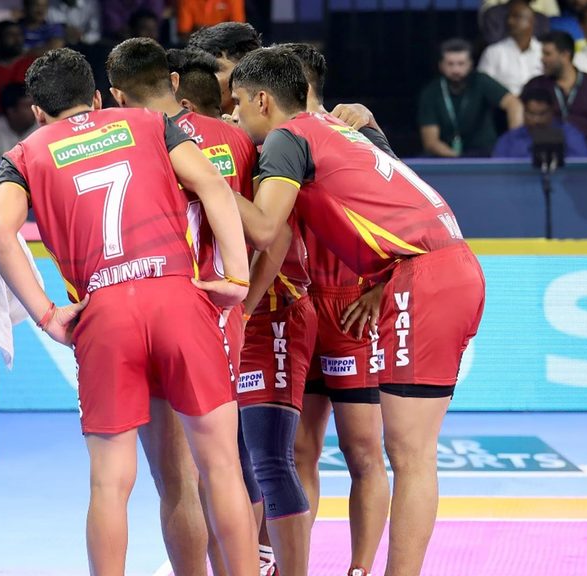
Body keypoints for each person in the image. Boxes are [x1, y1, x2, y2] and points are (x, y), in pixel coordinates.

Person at [0, 48, 256, 576]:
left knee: (110, 483)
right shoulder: (148, 122)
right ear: (95, 97)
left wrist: (46, 314)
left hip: (102, 312)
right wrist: (238, 279)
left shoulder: (24, 153)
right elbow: (214, 189)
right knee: (221, 467)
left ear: (38, 112)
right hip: (177, 296)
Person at [231, 48, 485, 576]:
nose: (233, 116)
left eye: (237, 104)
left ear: (262, 99)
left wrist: (196, 173)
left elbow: (262, 227)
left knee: (408, 454)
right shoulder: (338, 131)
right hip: (444, 267)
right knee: (408, 452)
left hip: (425, 277)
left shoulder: (288, 136)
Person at [107, 37, 262, 576]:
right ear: (173, 83)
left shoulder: (115, 141)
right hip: (221, 314)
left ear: (115, 94)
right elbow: (270, 228)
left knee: (176, 481)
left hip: (150, 305)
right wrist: (243, 290)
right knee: (225, 467)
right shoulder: (238, 140)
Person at [272, 43, 390, 576]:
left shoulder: (358, 135)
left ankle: (360, 569)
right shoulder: (274, 139)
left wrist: (380, 288)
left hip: (350, 312)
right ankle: (292, 564)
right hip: (297, 308)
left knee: (363, 451)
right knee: (299, 451)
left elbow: (403, 215)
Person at [417, 38, 523, 157]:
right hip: (446, 156)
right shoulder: (431, 92)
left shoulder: (481, 81)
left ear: (470, 64)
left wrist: (515, 141)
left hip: (484, 152)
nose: (456, 70)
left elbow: (514, 104)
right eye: (450, 64)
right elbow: (430, 142)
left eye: (461, 64)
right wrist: (458, 160)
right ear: (441, 65)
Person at [523, 30, 587, 142]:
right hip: (544, 146)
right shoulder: (535, 85)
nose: (542, 59)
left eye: (547, 54)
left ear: (565, 55)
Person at [187, 22, 264, 116]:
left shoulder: (274, 128)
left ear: (248, 70)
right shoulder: (181, 126)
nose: (201, 79)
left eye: (214, 70)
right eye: (197, 70)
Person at [492, 86, 587, 157]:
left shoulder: (569, 134)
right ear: (524, 112)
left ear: (552, 111)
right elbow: (498, 171)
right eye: (531, 114)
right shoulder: (509, 140)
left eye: (542, 114)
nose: (536, 120)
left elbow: (581, 166)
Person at [478, 0, 544, 95]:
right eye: (508, 17)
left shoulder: (544, 51)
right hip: (503, 108)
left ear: (531, 21)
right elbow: (482, 88)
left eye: (516, 17)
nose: (510, 21)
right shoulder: (493, 52)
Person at [0, 82, 36, 160]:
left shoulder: (43, 127)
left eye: (34, 104)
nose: (34, 109)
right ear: (11, 111)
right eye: (27, 106)